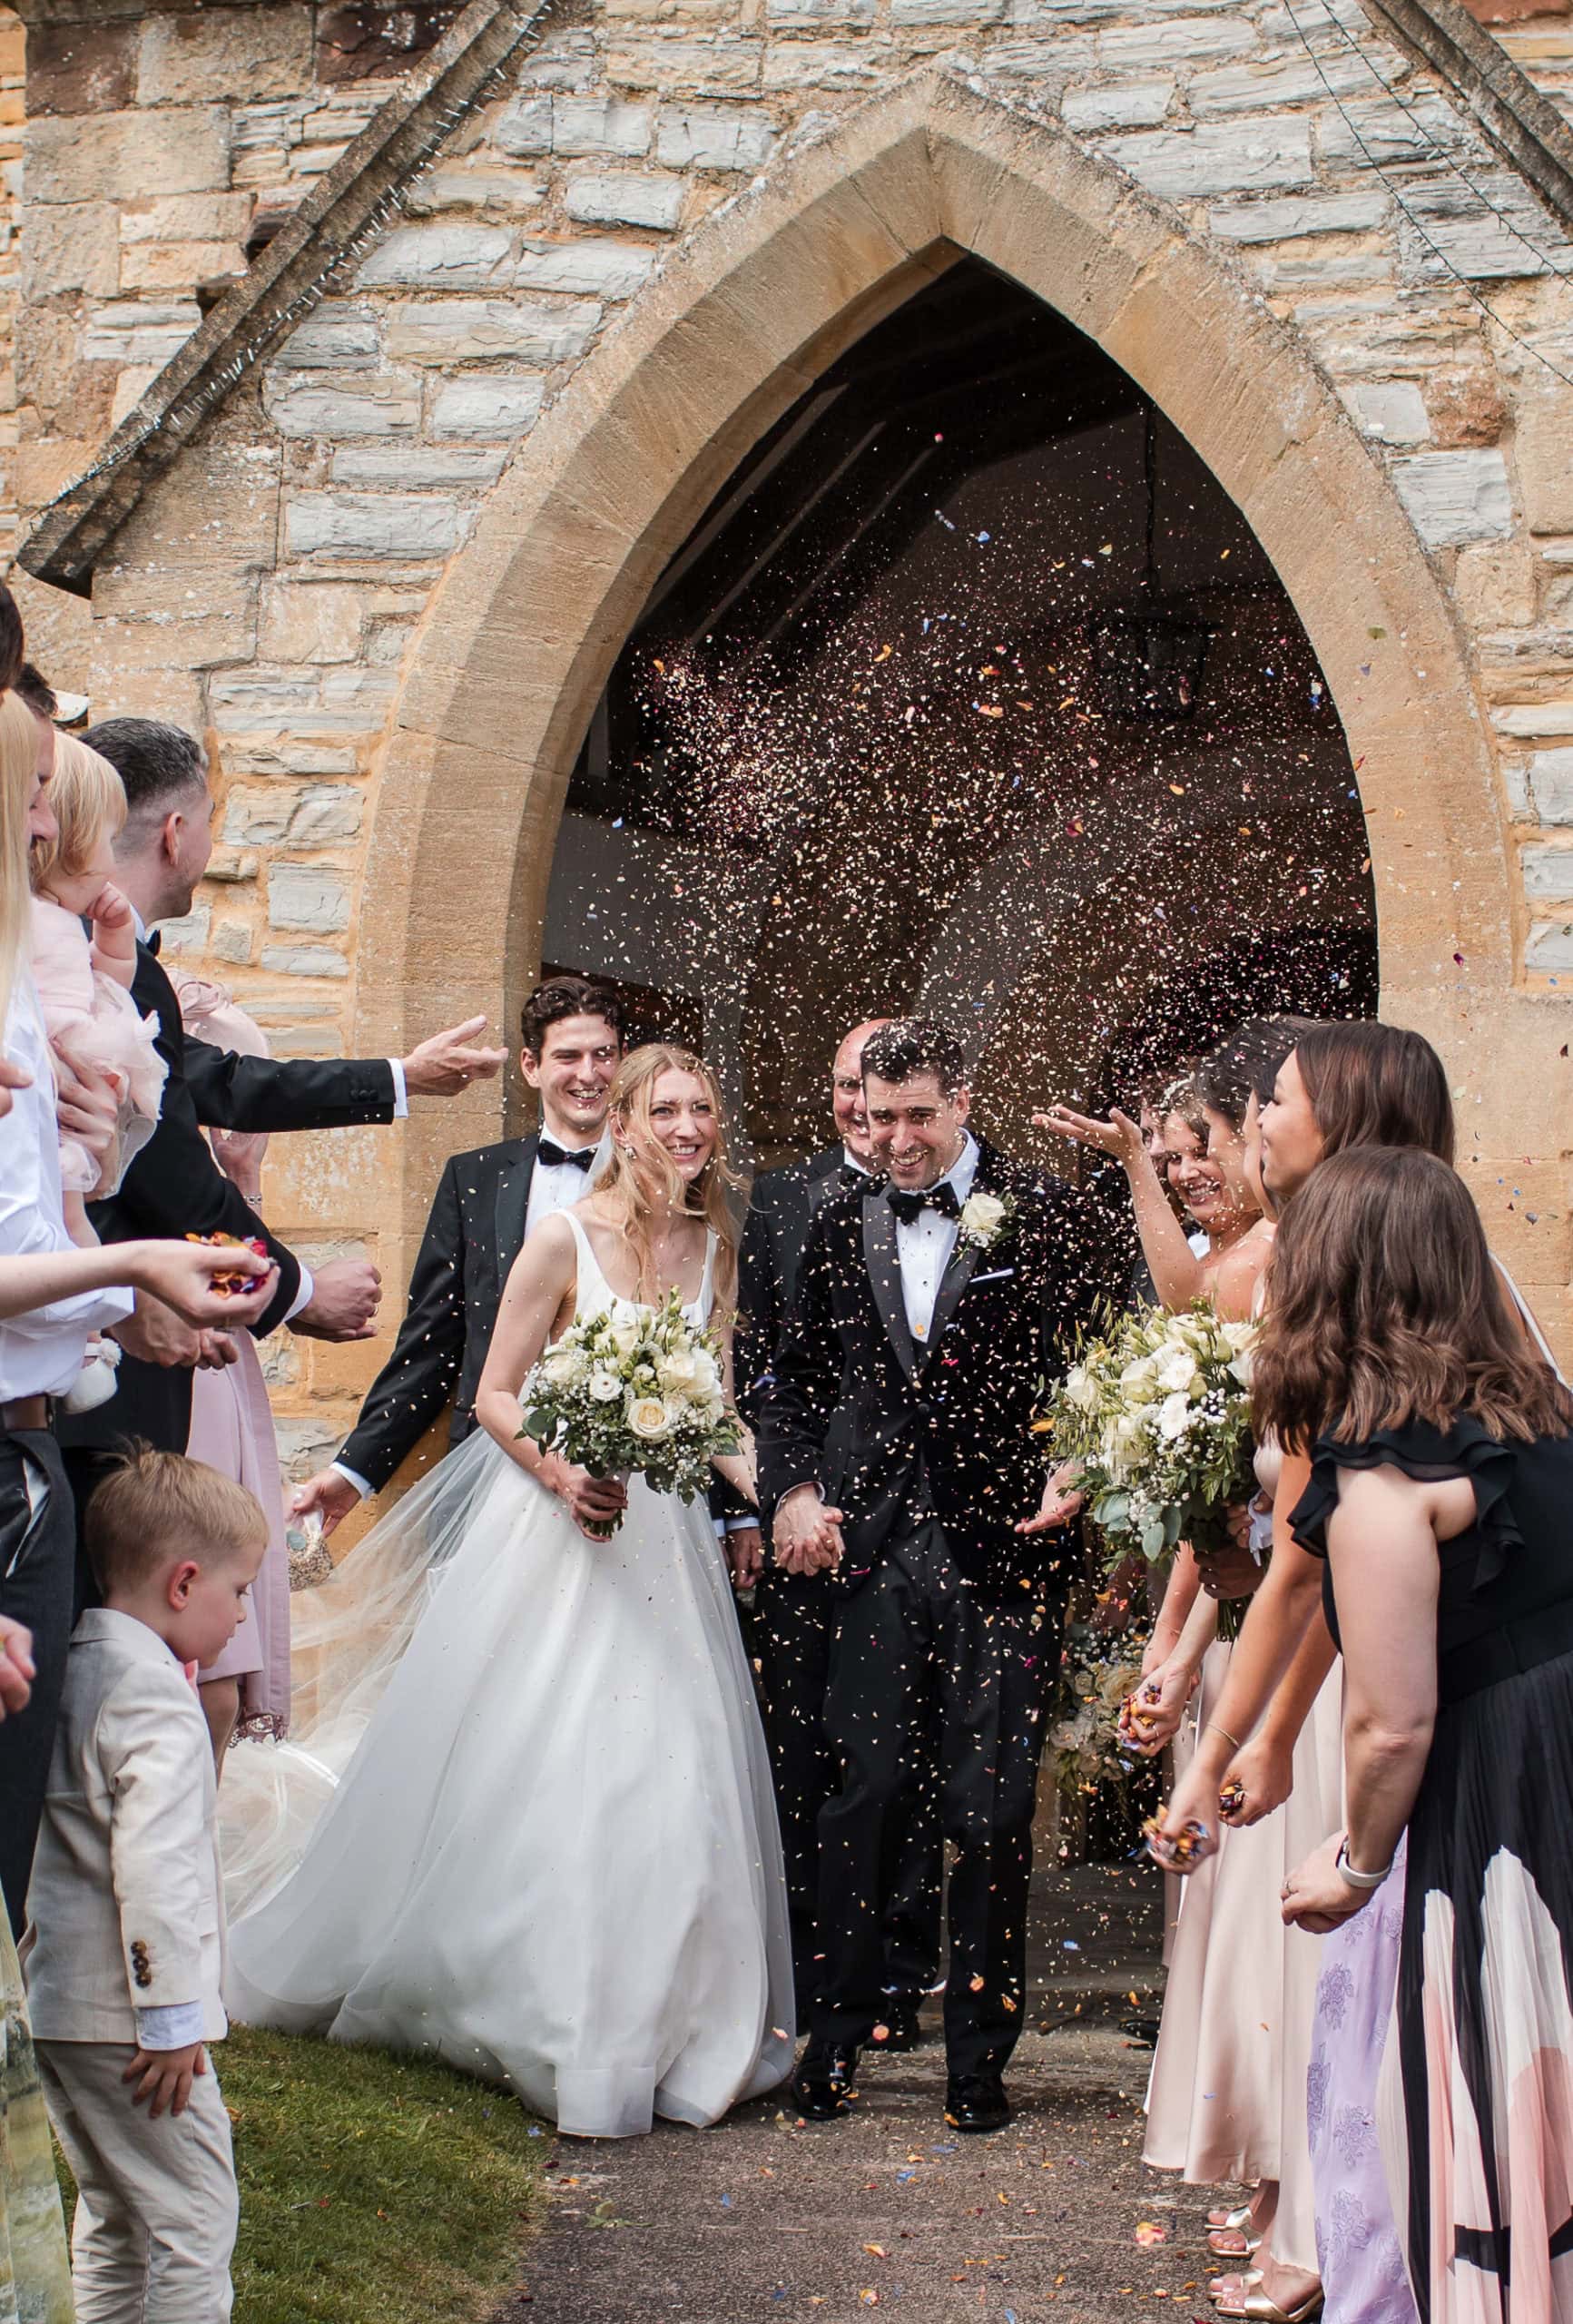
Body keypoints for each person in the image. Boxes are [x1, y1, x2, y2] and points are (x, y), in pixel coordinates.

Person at [225, 1045, 794, 2140]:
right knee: (546, 1752)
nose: (687, 1127)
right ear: (623, 1124)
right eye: (664, 1109)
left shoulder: (717, 1245)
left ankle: (662, 2019)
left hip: (662, 1542)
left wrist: (780, 1495)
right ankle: (523, 1997)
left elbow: (716, 1403)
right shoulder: (562, 1237)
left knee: (671, 1764)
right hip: (553, 1534)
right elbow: (492, 1391)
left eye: (702, 1109)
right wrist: (561, 1471)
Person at [759, 1019, 1109, 2134]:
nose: (895, 1140)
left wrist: (1086, 1453)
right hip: (869, 1552)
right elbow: (783, 1384)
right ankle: (839, 2033)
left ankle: (978, 2058)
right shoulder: (832, 1220)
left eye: (917, 1116)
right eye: (876, 1115)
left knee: (991, 1806)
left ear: (963, 1097)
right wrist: (792, 1489)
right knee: (860, 1795)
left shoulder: (1045, 1209)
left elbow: (1109, 1348)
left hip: (1002, 1545)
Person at [1266, 1150, 1573, 2324]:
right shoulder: (1541, 1419)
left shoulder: (1385, 1477)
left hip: (1501, 1804)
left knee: (1502, 2091)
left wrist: (1353, 1866)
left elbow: (1391, 1723)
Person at [58, 714, 505, 1488]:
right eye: (209, 823)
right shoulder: (79, 958)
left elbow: (216, 1081)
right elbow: (164, 1165)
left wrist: (403, 1076)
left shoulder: (109, 957)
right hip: (102, 1355)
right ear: (175, 832)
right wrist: (293, 1292)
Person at [0, 687, 277, 1931]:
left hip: (36, 1429)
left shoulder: (51, 970)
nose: (48, 818)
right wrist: (133, 1278)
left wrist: (110, 981)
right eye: (34, 793)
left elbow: (97, 1168)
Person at [24, 1448, 268, 2324]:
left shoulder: (72, 1665)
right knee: (195, 2220)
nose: (243, 1617)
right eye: (238, 1592)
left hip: (59, 2004)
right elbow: (156, 1871)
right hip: (131, 2023)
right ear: (183, 1582)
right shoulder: (156, 1700)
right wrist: (171, 2021)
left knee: (118, 2215)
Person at [739, 1018, 941, 2040]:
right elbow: (761, 1362)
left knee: (896, 1756)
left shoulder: (964, 1200)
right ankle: (810, 1963)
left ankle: (899, 1968)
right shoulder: (783, 1197)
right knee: (802, 1744)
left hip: (918, 1527)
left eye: (882, 1089)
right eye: (845, 1086)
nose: (860, 1108)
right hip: (804, 1516)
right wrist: (776, 1497)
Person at [290, 973, 627, 1533]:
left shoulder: (659, 1181)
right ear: (530, 1066)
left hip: (623, 1478)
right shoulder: (475, 1178)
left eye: (604, 1055)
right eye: (568, 1056)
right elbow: (432, 1344)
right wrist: (354, 1471)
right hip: (491, 1469)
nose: (588, 1074)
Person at [28, 733, 164, 1205]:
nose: (112, 860)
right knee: (71, 1223)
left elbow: (103, 992)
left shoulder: (60, 922)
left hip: (70, 1100)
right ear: (75, 843)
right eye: (110, 839)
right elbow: (91, 1012)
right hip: (60, 1096)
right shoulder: (38, 921)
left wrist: (114, 939)